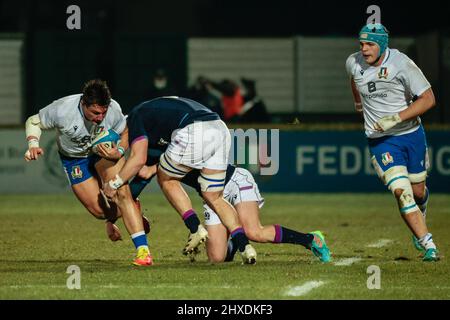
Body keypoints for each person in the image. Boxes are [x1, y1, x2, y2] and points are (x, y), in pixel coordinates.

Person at [102, 96, 258, 264]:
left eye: (117, 141)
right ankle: (245, 246)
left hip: (195, 129)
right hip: (219, 129)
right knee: (214, 197)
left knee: (166, 179)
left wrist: (114, 184)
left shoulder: (134, 118)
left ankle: (195, 228)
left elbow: (139, 161)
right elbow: (143, 176)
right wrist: (112, 219)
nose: (120, 147)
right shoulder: (156, 128)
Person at [24, 79, 153, 266]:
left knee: (122, 192)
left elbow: (125, 132)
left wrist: (120, 151)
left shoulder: (113, 108)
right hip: (74, 158)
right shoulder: (62, 110)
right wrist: (33, 144)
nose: (100, 117)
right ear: (83, 103)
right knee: (100, 212)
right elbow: (33, 121)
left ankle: (143, 252)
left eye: (103, 112)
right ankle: (129, 212)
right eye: (95, 113)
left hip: (103, 152)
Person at [346, 23, 439, 261]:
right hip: (381, 141)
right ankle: (428, 244)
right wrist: (359, 106)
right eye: (362, 44)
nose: (364, 49)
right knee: (401, 191)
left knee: (418, 191)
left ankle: (422, 206)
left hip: (411, 134)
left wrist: (396, 118)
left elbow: (428, 99)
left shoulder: (402, 64)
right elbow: (354, 81)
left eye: (370, 44)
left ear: (383, 44)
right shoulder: (353, 62)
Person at [129, 158, 331, 264]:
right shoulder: (155, 156)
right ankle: (235, 239)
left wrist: (153, 167)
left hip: (234, 182)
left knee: (254, 232)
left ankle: (311, 239)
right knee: (217, 258)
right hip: (211, 196)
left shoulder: (179, 147)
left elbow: (173, 166)